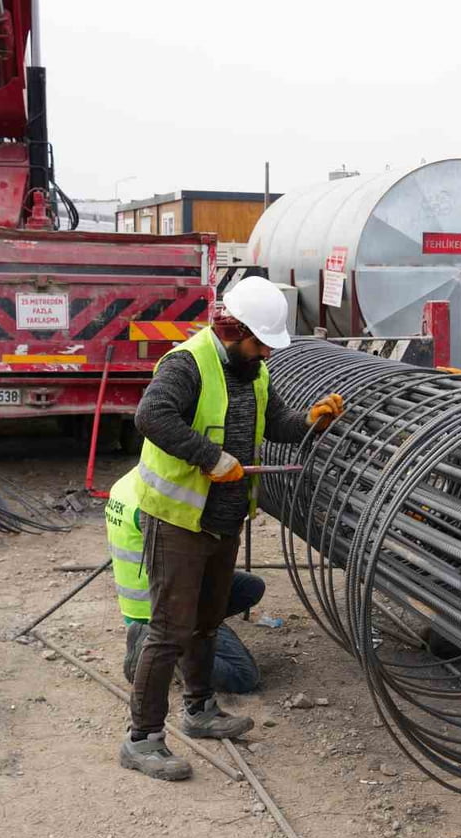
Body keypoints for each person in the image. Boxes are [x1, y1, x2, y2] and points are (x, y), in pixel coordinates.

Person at [118, 276, 345, 781]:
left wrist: (313, 422)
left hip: (223, 519)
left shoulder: (252, 369)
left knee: (206, 621)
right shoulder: (187, 364)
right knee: (169, 630)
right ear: (233, 330)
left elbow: (277, 422)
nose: (265, 351)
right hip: (180, 519)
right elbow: (150, 416)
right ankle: (142, 740)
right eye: (259, 341)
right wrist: (211, 457)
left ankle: (200, 711)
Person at [105, 469, 264, 695]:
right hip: (162, 607)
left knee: (250, 588)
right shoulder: (160, 503)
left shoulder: (129, 482)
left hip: (147, 592)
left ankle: (165, 639)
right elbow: (190, 567)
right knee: (243, 676)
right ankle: (165, 650)